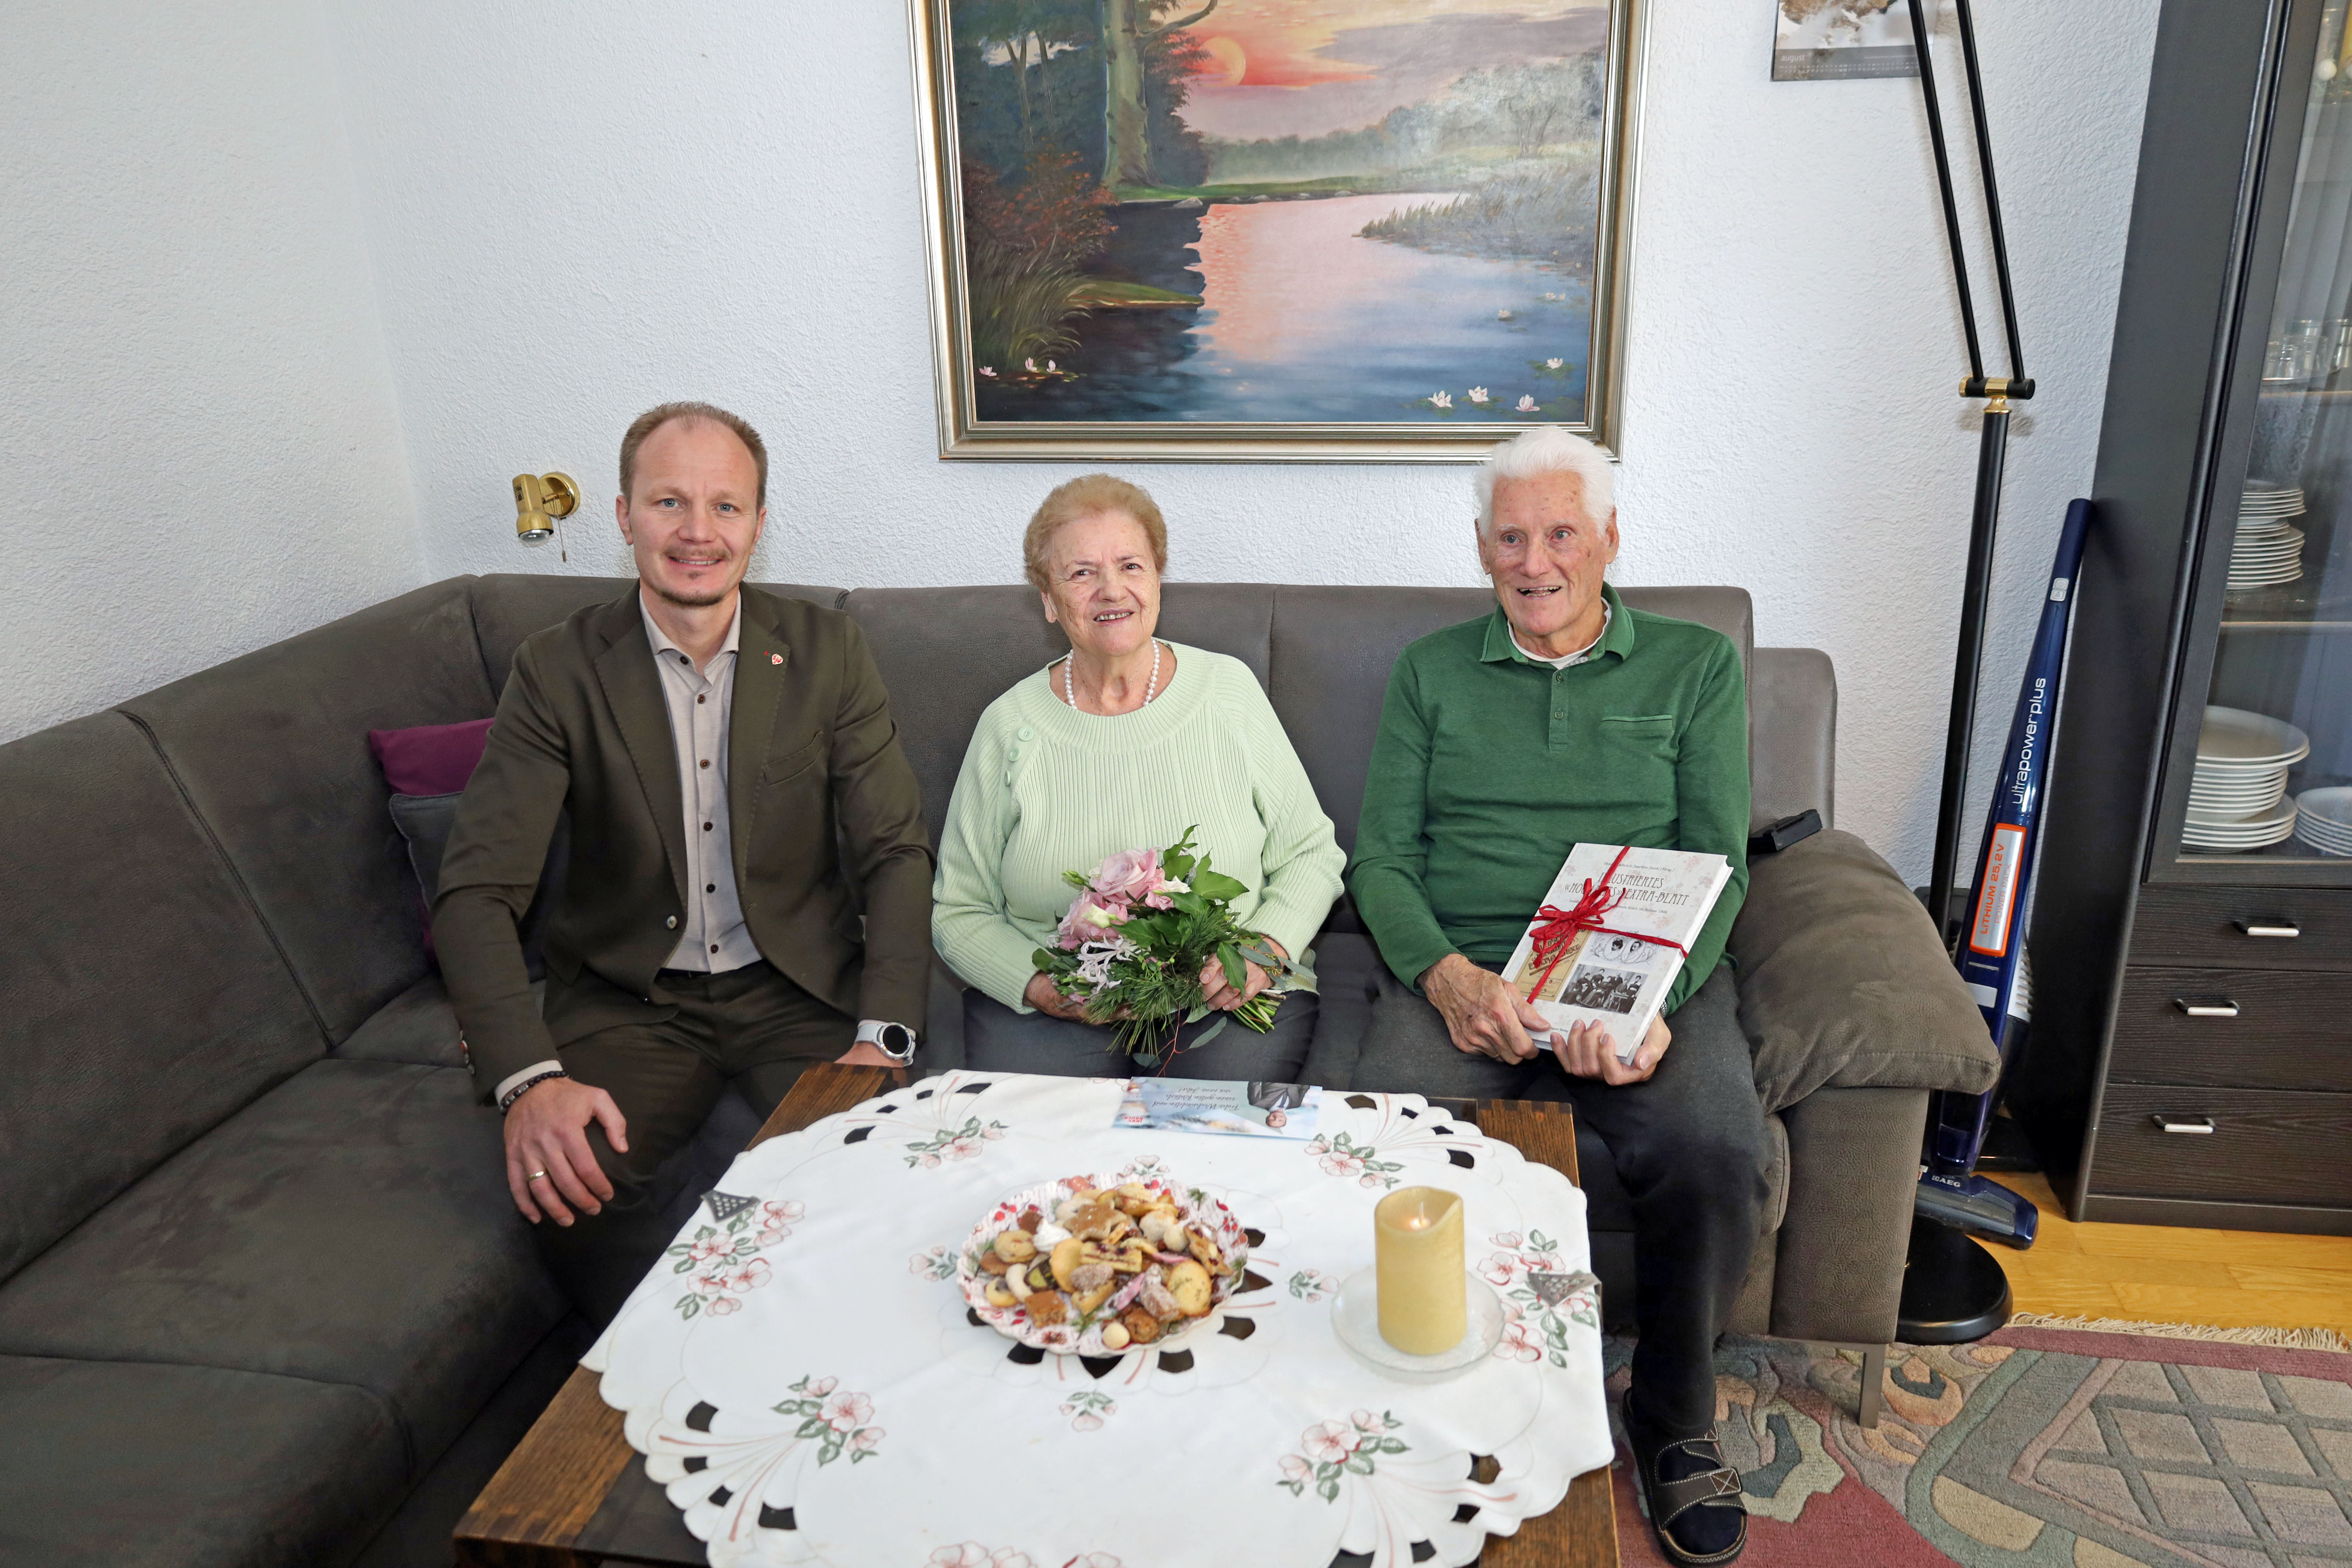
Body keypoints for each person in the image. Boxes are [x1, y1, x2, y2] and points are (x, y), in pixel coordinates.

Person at [1348, 426, 1763, 1567]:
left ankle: (1673, 1417)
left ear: (1610, 539)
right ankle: (1428, 1399)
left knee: (1716, 1145)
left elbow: (1720, 860)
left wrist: (1659, 1001)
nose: (1536, 563)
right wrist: (1447, 978)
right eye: (1512, 538)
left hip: (1639, 970)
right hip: (1470, 972)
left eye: (1562, 534)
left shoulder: (1696, 664)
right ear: (1482, 547)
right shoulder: (1431, 671)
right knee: (1381, 1136)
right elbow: (1380, 858)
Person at [434, 401, 932, 1324]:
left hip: (796, 988)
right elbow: (476, 890)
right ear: (626, 517)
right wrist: (527, 1076)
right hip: (631, 999)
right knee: (570, 1182)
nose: (698, 532)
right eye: (670, 502)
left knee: (881, 1187)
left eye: (725, 506)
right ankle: (646, 1378)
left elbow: (895, 849)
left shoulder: (826, 652)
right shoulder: (557, 668)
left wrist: (886, 1034)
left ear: (759, 523)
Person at [933, 475, 1345, 1078]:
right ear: (1049, 600)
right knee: (1042, 1133)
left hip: (1227, 996)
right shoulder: (1009, 725)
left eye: (1130, 566)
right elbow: (959, 910)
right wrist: (1040, 986)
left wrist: (1262, 948)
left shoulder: (1226, 692)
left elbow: (1310, 852)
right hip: (1058, 1004)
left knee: (1210, 1133)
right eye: (1081, 573)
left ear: (1155, 581)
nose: (1112, 589)